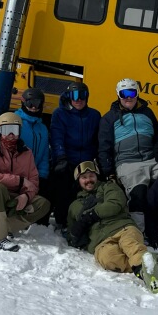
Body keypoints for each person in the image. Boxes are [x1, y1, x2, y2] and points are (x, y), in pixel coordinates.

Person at [66, 160, 158, 293]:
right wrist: (76, 235)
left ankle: (144, 272)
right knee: (109, 259)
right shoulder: (74, 206)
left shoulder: (109, 187)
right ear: (78, 181)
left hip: (122, 227)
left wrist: (92, 214)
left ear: (97, 176)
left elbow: (115, 204)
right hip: (100, 241)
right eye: (84, 177)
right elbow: (71, 231)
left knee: (131, 245)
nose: (88, 180)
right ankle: (156, 259)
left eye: (91, 176)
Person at [0, 112, 51, 251]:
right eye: (6, 130)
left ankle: (3, 226)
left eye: (14, 130)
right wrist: (20, 181)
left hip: (13, 198)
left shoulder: (27, 153)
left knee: (42, 204)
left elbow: (33, 182)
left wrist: (25, 196)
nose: (11, 135)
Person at [98, 78, 158, 212]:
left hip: (151, 159)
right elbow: (104, 147)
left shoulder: (148, 113)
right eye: (124, 94)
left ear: (138, 93)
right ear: (118, 95)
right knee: (138, 193)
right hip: (127, 162)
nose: (128, 98)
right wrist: (109, 173)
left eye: (132, 93)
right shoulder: (109, 118)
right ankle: (138, 230)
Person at [48, 81, 101, 234]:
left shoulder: (94, 115)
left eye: (82, 96)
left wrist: (97, 160)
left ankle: (85, 219)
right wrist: (60, 156)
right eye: (74, 96)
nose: (78, 100)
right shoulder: (60, 113)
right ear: (69, 97)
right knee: (64, 185)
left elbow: (98, 140)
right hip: (68, 156)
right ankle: (62, 219)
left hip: (86, 159)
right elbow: (57, 136)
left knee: (88, 188)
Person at [16, 86, 50, 225]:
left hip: (35, 173)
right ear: (24, 103)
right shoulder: (16, 121)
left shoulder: (42, 128)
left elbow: (44, 154)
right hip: (17, 172)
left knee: (45, 193)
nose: (34, 107)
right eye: (30, 103)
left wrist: (42, 174)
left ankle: (39, 225)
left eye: (38, 104)